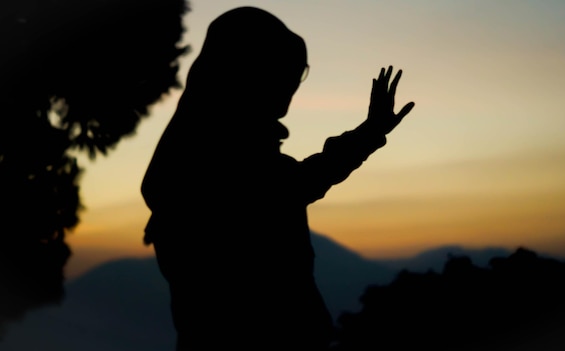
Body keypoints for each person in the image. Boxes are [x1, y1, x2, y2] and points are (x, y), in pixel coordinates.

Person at [141, 6, 414, 351]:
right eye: (285, 69)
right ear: (247, 71)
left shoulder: (190, 158)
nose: (291, 84)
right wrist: (369, 134)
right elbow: (293, 184)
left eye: (298, 72)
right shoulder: (226, 155)